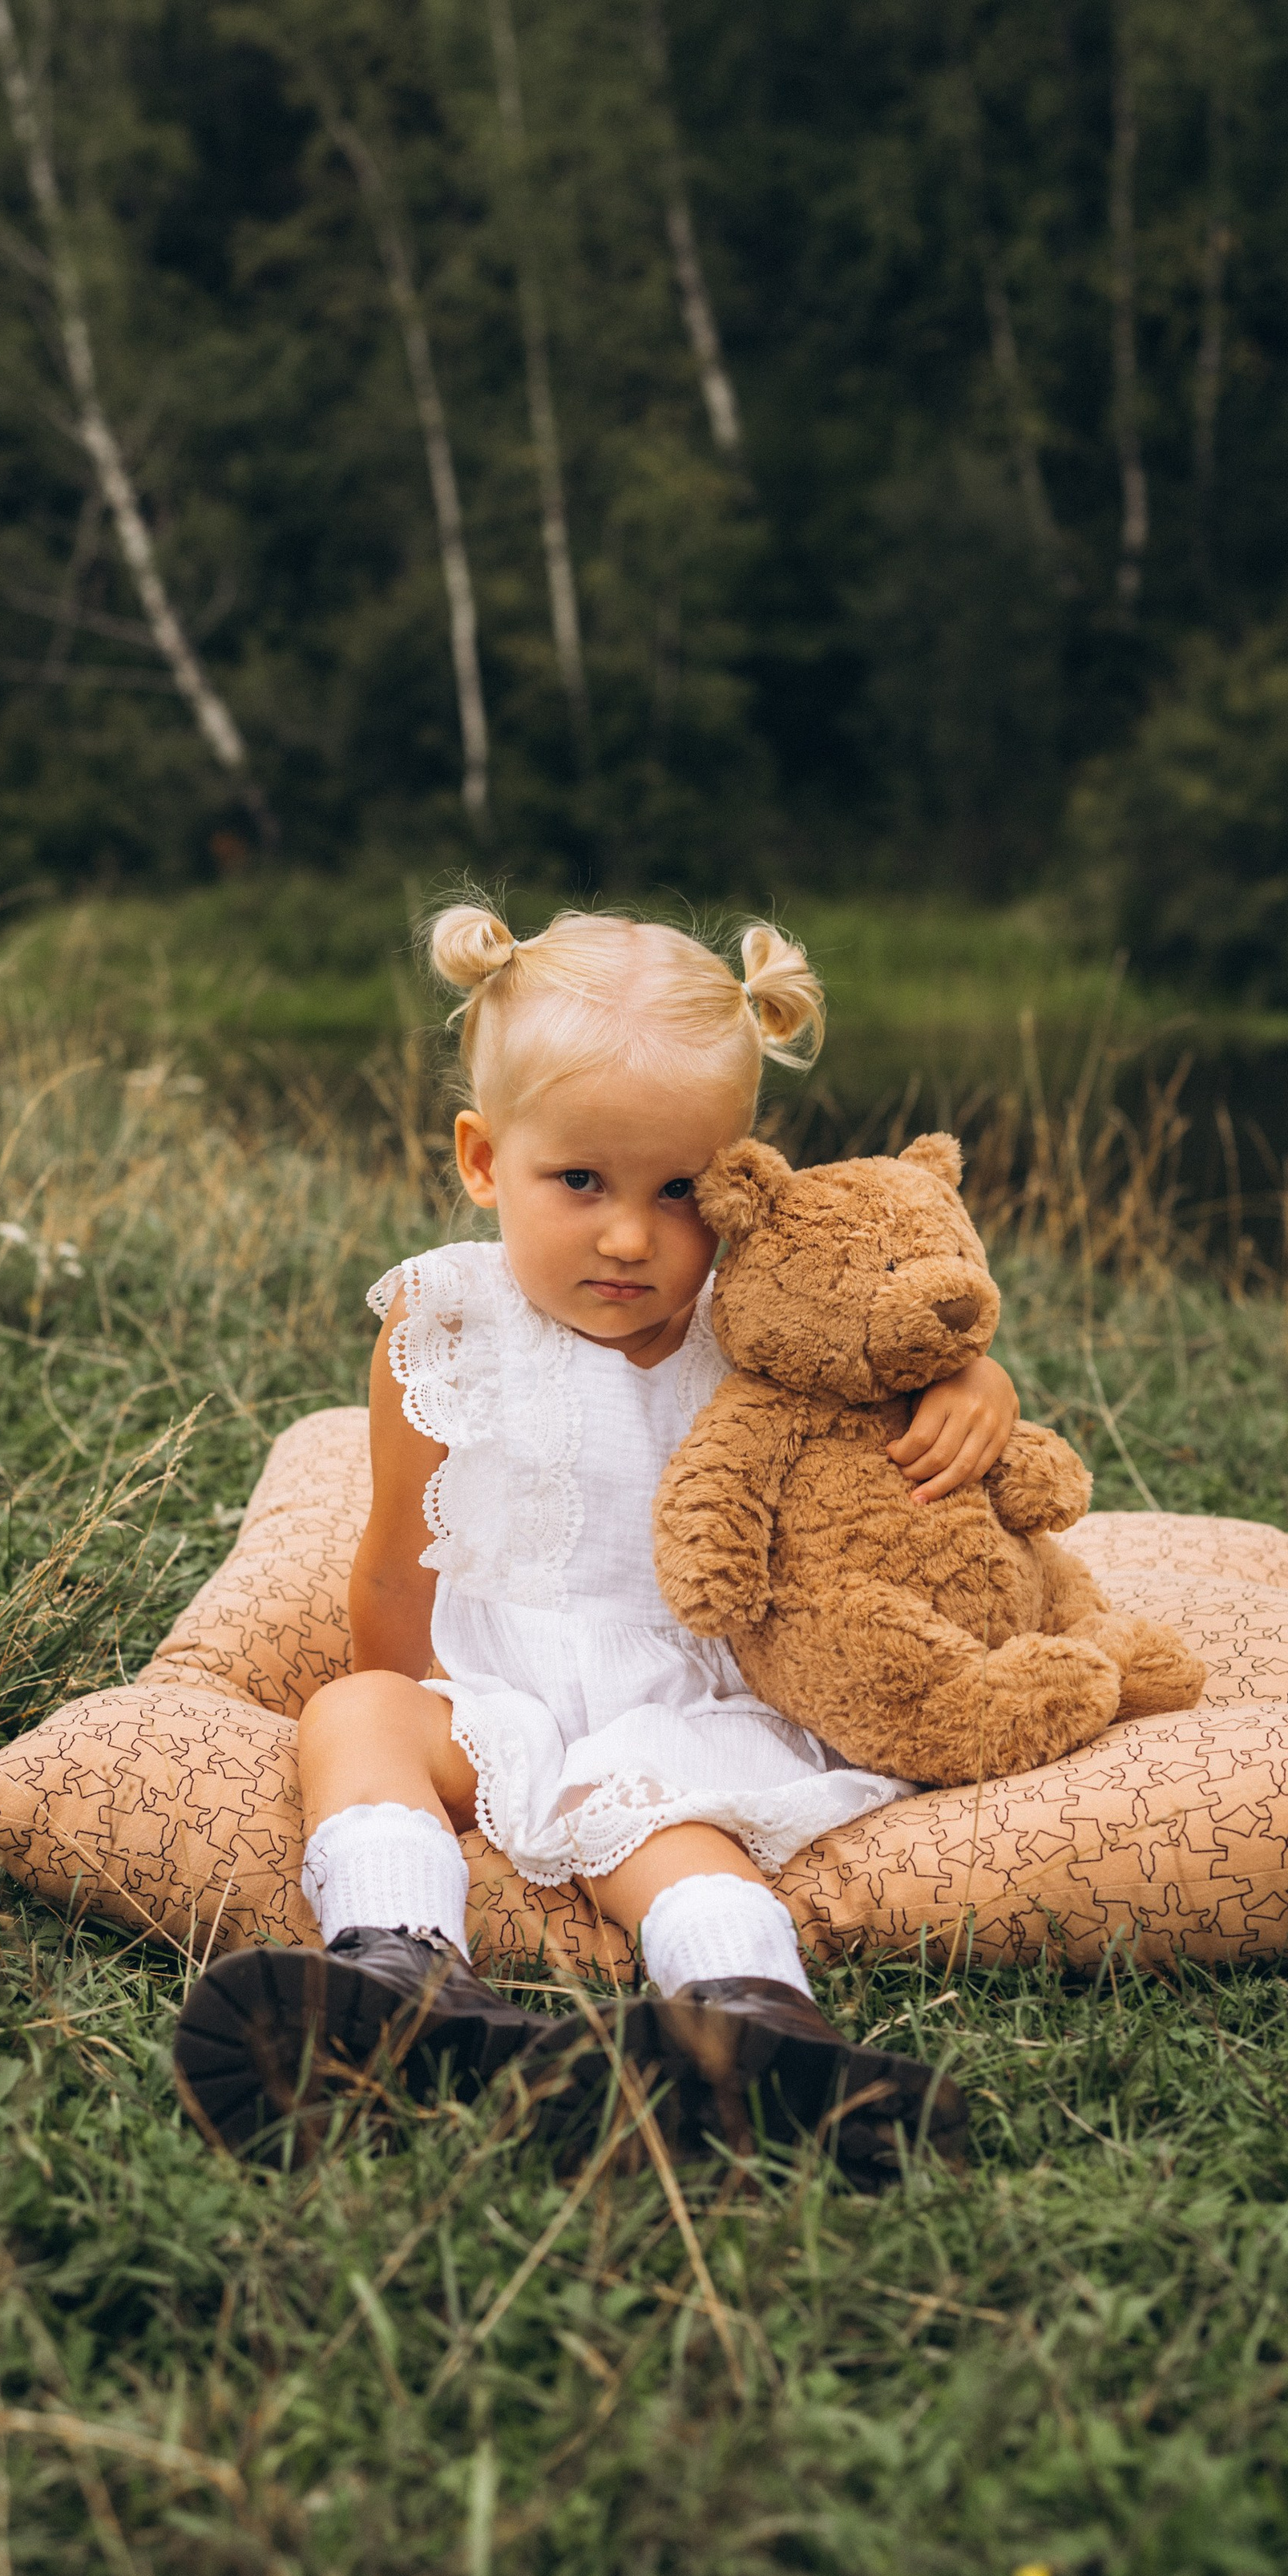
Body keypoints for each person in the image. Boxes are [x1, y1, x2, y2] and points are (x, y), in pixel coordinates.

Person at [174, 905, 1019, 2168]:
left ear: (735, 1179)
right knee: (351, 1715)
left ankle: (749, 2025)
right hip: (495, 1685)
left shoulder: (758, 1313)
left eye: (679, 1190)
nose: (630, 1236)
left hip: (685, 1694)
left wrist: (976, 1387)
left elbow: (903, 1347)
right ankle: (402, 1965)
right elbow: (401, 1553)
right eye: (580, 1182)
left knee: (671, 1833)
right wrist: (420, 1715)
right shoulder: (442, 1320)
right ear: (482, 1158)